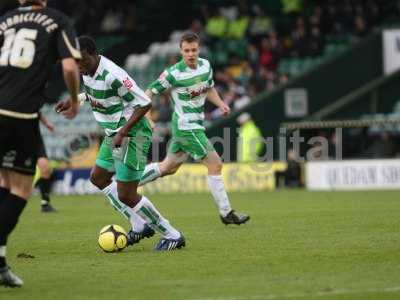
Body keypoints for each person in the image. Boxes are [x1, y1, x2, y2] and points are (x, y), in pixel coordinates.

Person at [55, 36, 185, 252]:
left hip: (131, 133)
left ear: (93, 53)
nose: (78, 65)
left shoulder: (112, 74)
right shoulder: (88, 70)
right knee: (98, 177)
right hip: (114, 132)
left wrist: (123, 132)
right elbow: (95, 92)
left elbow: (144, 103)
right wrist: (75, 99)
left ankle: (173, 235)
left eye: (81, 60)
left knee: (126, 193)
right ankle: (140, 225)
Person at [0, 0, 81, 287]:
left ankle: (1, 263)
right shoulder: (57, 20)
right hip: (20, 114)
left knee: (4, 183)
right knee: (20, 189)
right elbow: (70, 68)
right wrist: (73, 99)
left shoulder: (5, 19)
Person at [139, 32, 250, 225]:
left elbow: (208, 88)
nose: (191, 54)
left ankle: (124, 183)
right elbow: (148, 92)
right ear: (181, 51)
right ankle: (226, 212)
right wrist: (147, 115)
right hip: (186, 127)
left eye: (194, 50)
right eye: (187, 50)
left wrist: (220, 104)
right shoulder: (173, 73)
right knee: (215, 164)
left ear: (199, 49)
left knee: (168, 167)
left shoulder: (206, 66)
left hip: (193, 126)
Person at [34, 113, 56, 213]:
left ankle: (45, 203)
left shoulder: (32, 99)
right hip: (15, 136)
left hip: (34, 136)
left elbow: (36, 110)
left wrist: (46, 123)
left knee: (45, 167)